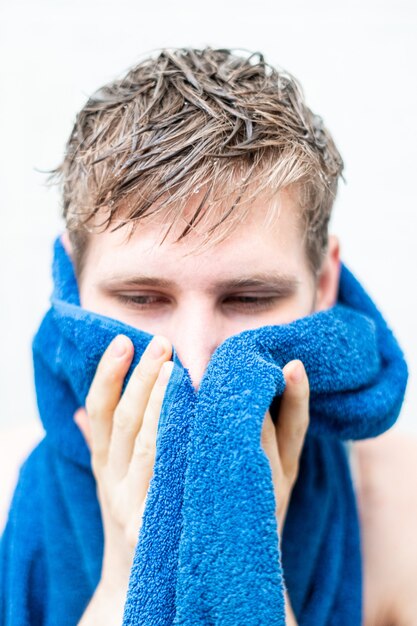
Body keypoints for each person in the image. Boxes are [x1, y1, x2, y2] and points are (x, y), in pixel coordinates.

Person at [2, 47, 416, 626]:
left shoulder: (401, 510)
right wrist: (124, 576)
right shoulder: (5, 491)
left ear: (324, 285)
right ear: (72, 285)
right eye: (141, 299)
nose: (196, 361)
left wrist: (252, 566)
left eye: (249, 299)